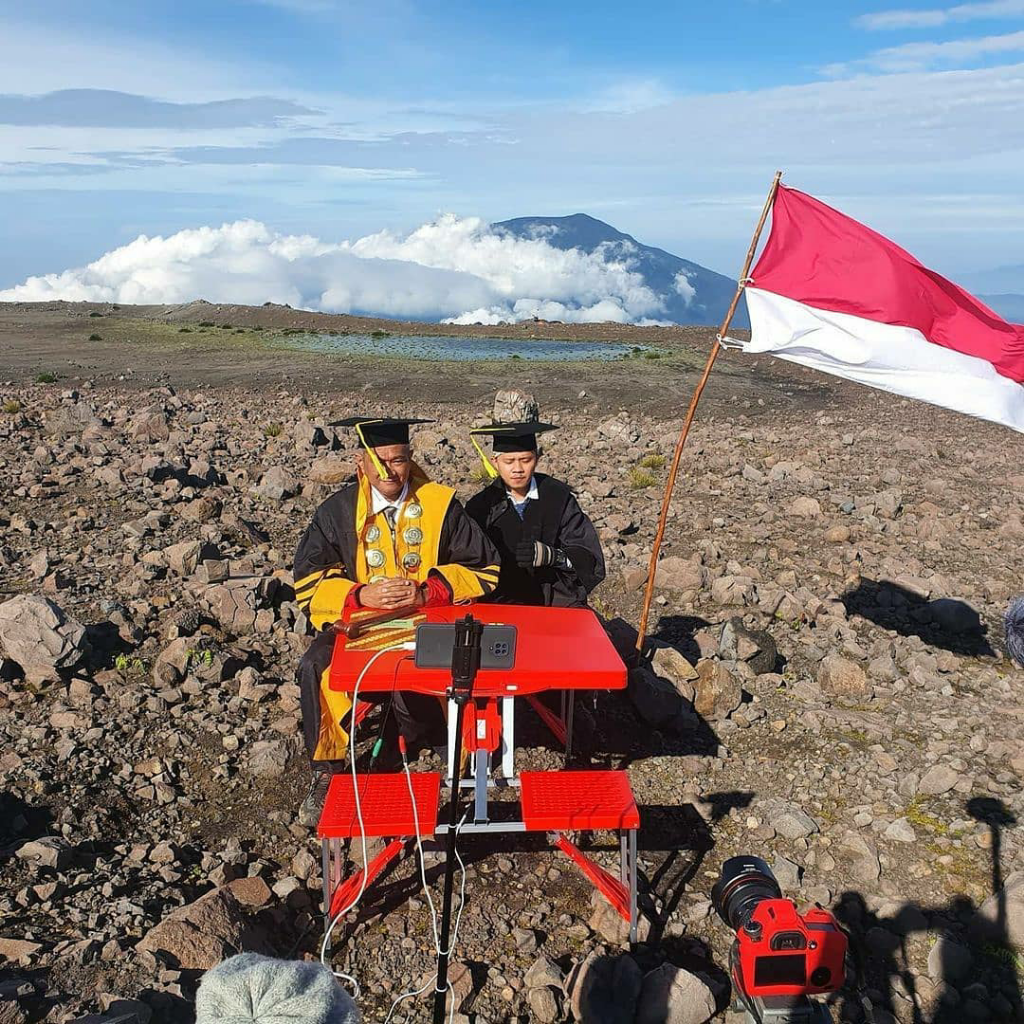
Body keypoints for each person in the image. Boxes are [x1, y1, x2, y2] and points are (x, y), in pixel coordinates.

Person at [293, 416, 500, 825]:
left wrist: (428, 591)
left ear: (410, 459)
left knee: (462, 667)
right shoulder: (336, 512)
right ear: (361, 462)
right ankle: (328, 768)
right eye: (380, 460)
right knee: (314, 667)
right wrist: (358, 594)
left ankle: (457, 752)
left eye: (399, 459)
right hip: (362, 623)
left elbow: (485, 569)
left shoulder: (441, 505)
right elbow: (307, 581)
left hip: (430, 618)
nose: (390, 470)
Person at [464, 421, 605, 608]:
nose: (517, 469)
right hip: (499, 603)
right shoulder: (480, 507)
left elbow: (588, 556)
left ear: (537, 458)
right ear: (494, 462)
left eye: (525, 460)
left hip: (557, 600)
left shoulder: (558, 498)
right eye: (509, 461)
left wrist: (554, 556)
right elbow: (467, 559)